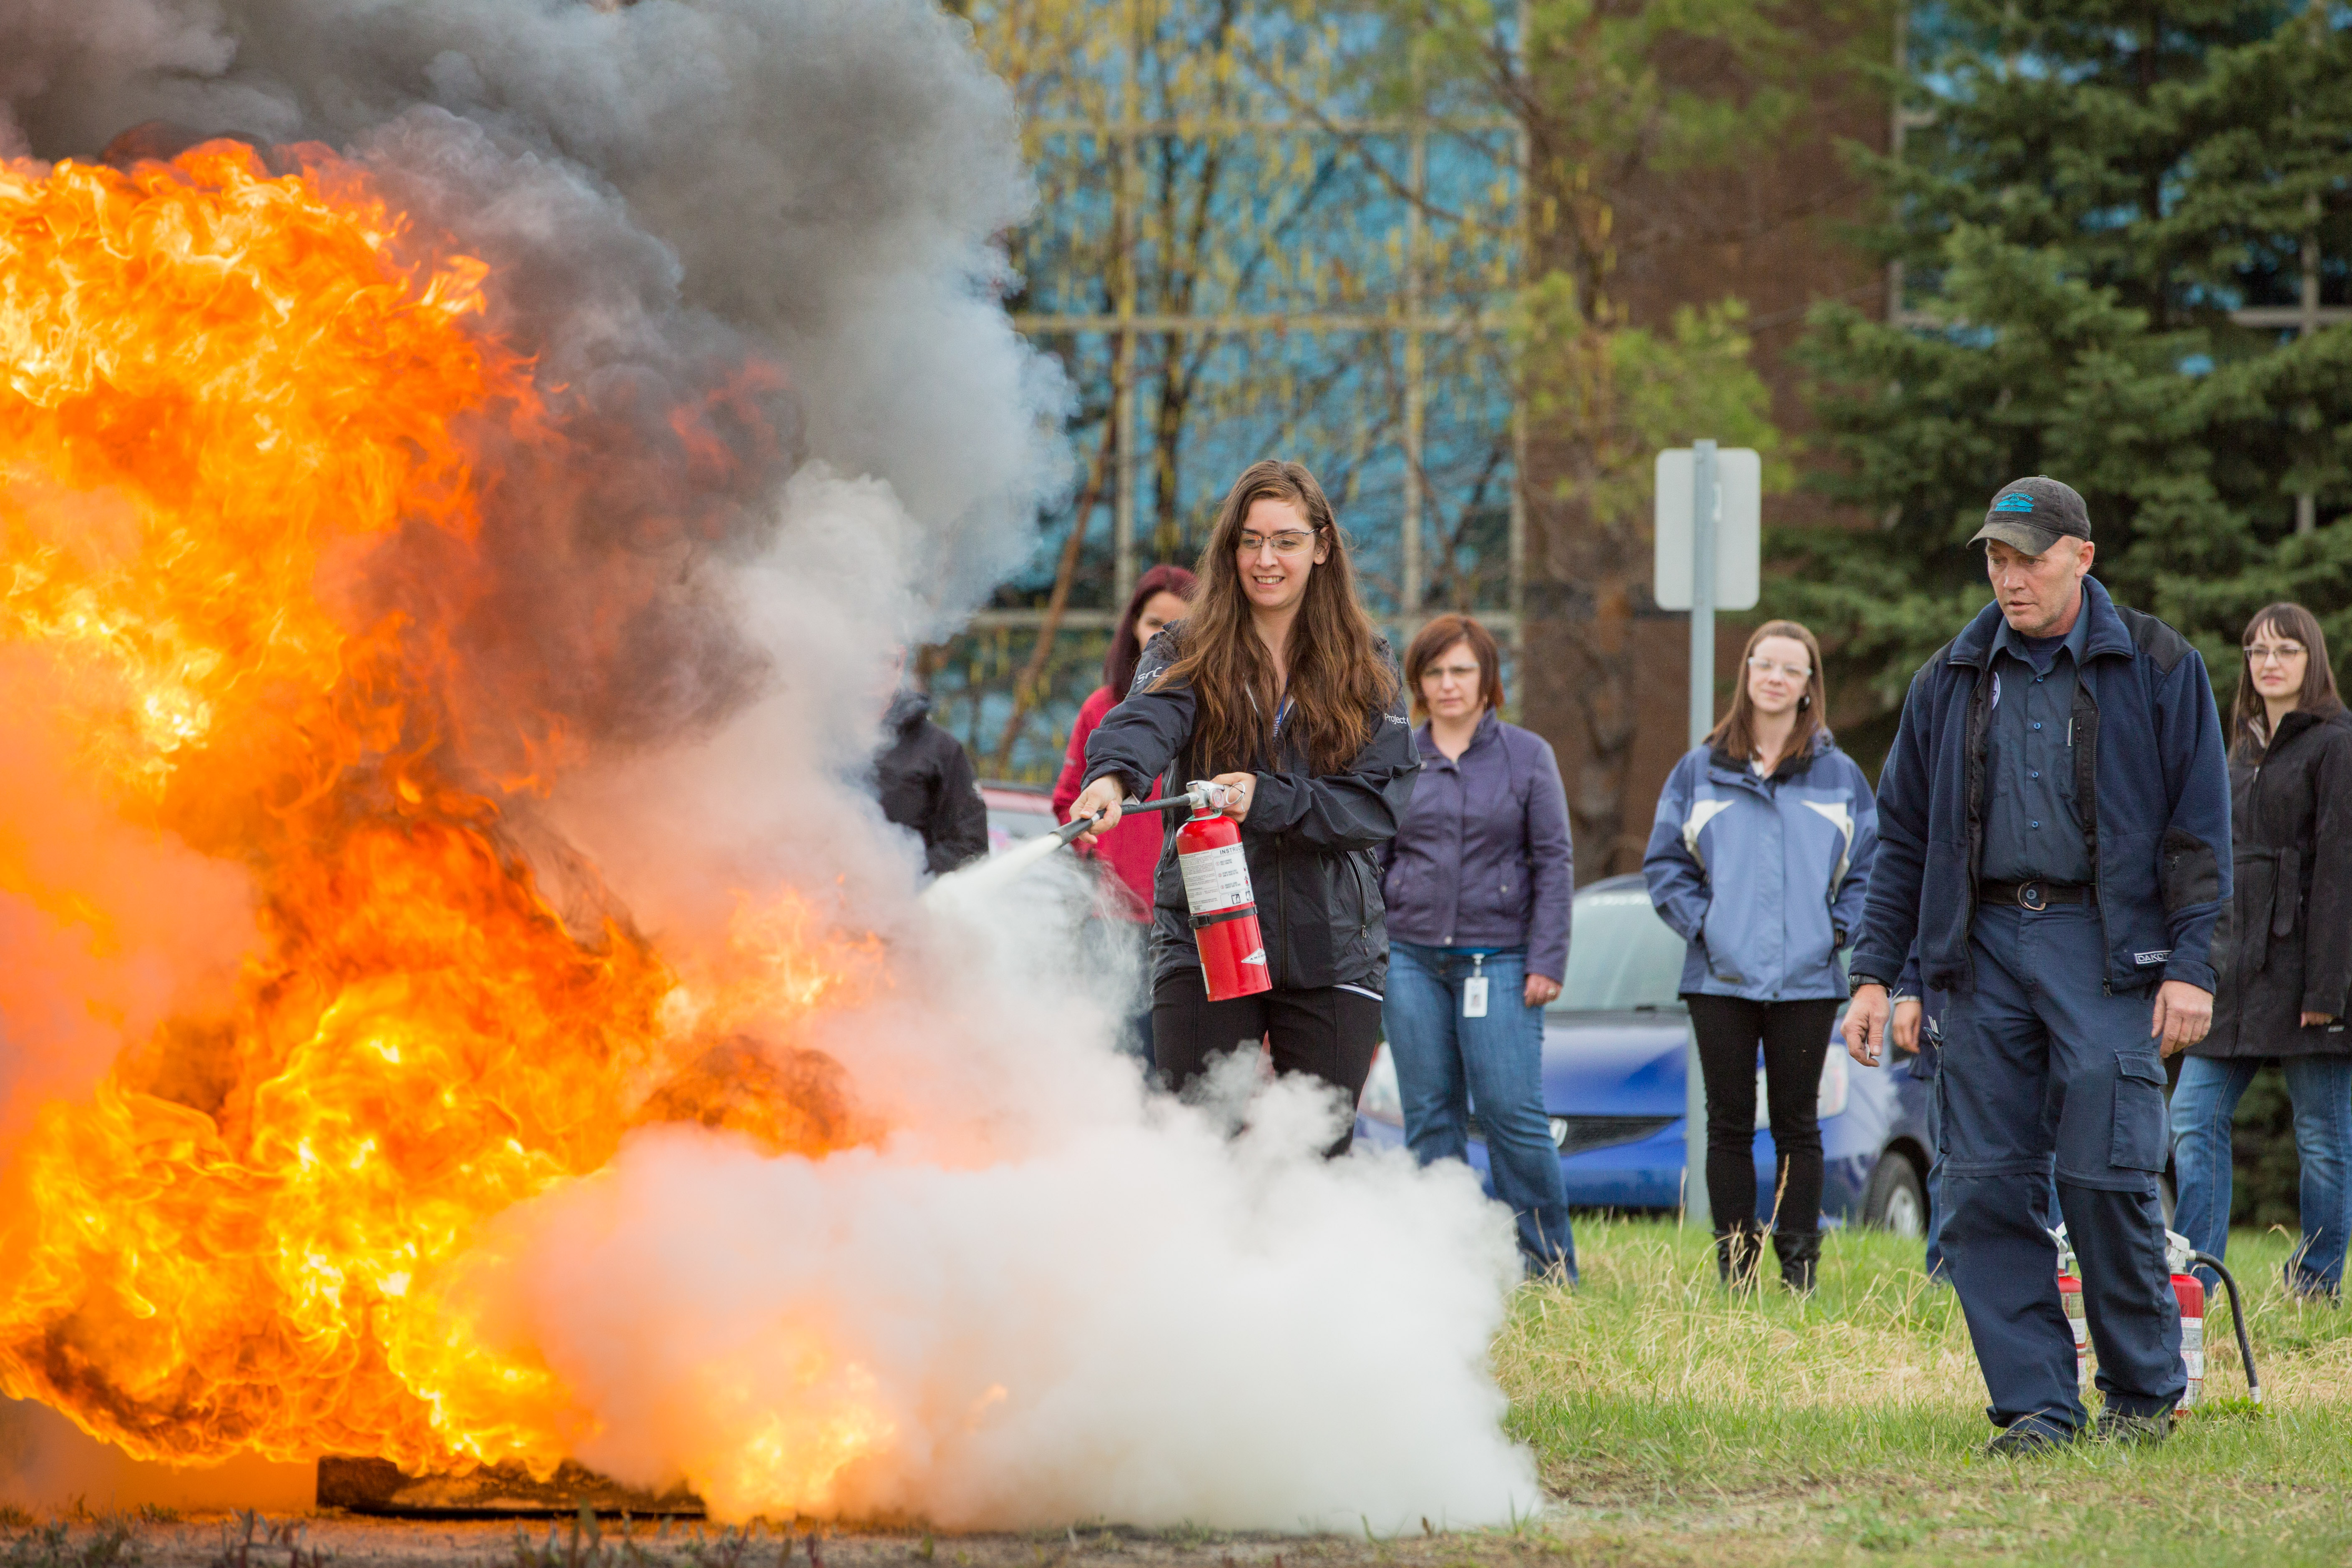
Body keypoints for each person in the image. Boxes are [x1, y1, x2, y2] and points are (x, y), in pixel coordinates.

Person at [1844, 475, 2231, 1453]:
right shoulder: (1950, 676)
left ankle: (2142, 1395)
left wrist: (2190, 965)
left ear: (2079, 557)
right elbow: (1900, 839)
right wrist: (1876, 975)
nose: (2007, 579)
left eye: (2026, 558)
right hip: (1976, 954)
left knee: (2105, 1172)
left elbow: (2198, 832)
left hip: (2104, 949)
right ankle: (2034, 1406)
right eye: (1994, 559)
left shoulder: (2154, 665)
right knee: (1979, 1184)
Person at [1067, 459, 1419, 1153]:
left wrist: (1265, 798)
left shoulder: (1367, 662)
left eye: (1286, 541)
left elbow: (1375, 806)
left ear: (1321, 547)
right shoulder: (1185, 648)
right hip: (1205, 937)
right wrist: (1112, 777)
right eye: (1251, 540)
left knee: (1314, 1159)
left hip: (1334, 949)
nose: (1266, 559)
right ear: (1231, 549)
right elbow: (1148, 720)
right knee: (1199, 1153)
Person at [1643, 619, 1877, 1293]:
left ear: (1809, 688)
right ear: (1746, 675)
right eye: (1763, 664)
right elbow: (1664, 864)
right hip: (1720, 978)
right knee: (1730, 1124)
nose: (1774, 678)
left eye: (1790, 669)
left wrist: (1837, 931)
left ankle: (1799, 1269)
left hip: (1808, 979)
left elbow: (1873, 865)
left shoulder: (1838, 777)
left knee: (1800, 1126)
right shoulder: (1700, 768)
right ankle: (1735, 1269)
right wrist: (1706, 926)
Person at [1378, 613, 1577, 1279]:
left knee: (1510, 1113)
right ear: (1418, 683)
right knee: (1430, 1117)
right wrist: (1372, 953)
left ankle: (1548, 1267)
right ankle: (1446, 1270)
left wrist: (1548, 959)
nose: (1448, 684)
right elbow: (1373, 857)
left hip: (1504, 959)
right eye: (1434, 672)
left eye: (1462, 670)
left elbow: (1553, 862)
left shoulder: (1528, 755)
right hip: (1408, 959)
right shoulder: (1399, 754)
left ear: (1488, 679)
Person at [2173, 603, 2352, 1302]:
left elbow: (2341, 870)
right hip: (2234, 969)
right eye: (2256, 650)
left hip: (2312, 970)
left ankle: (2316, 1284)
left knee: (2323, 1142)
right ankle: (2195, 1283)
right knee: (2192, 1118)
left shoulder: (2338, 742)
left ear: (2313, 660)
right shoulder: (2241, 744)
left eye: (2285, 650)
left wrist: (2327, 991)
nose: (2268, 662)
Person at [1053, 563, 1199, 1058]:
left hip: (1189, 916)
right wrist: (1093, 843)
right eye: (1155, 623)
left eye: (1180, 625)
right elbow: (1067, 800)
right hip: (1114, 917)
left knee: (1176, 1060)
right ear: (1133, 626)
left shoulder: (1208, 708)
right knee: (1111, 1058)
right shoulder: (1103, 707)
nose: (1164, 636)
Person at [873, 656, 990, 876]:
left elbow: (971, 848)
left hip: (904, 904)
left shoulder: (941, 750)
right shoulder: (814, 744)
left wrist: (906, 874)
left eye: (881, 658)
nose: (871, 669)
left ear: (901, 660)